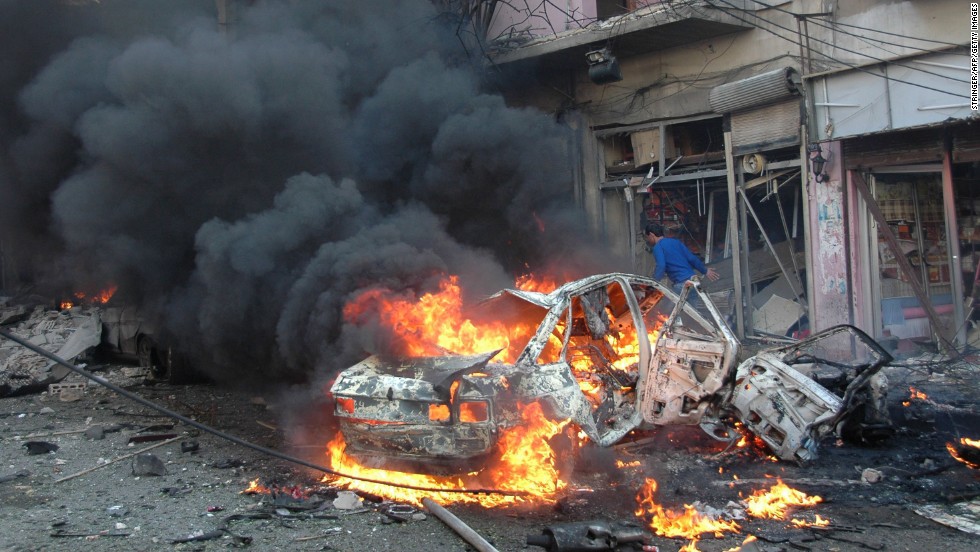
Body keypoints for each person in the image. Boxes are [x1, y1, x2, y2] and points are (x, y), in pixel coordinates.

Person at [644, 223, 719, 300]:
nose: (647, 240)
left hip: (682, 285)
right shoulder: (676, 242)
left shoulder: (658, 247)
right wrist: (705, 271)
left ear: (651, 235)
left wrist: (653, 283)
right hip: (694, 282)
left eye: (647, 237)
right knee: (692, 311)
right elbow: (691, 258)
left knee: (667, 309)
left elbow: (661, 265)